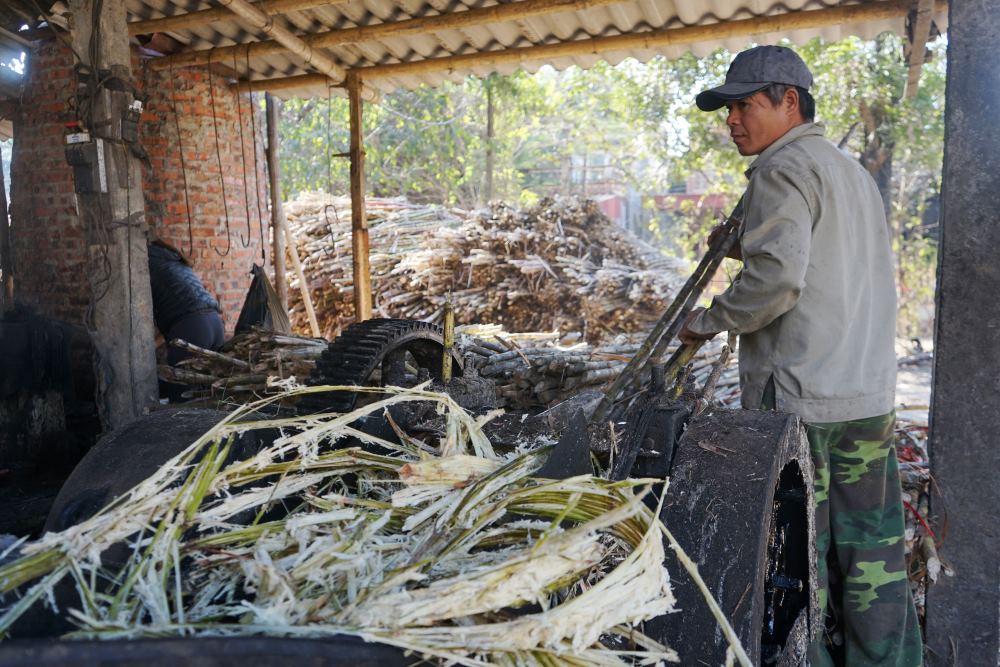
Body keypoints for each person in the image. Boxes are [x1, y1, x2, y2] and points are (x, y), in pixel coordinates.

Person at [677, 45, 921, 666]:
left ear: (789, 100)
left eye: (744, 104)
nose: (731, 120)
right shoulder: (846, 169)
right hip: (865, 395)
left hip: (805, 402)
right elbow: (823, 268)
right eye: (727, 108)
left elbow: (780, 284)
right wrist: (745, 250)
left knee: (797, 566)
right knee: (874, 560)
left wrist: (706, 322)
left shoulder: (780, 171)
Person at [147, 238, 225, 401]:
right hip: (214, 322)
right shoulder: (173, 259)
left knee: (182, 397)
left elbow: (182, 313)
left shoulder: (146, 259)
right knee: (209, 392)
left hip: (193, 327)